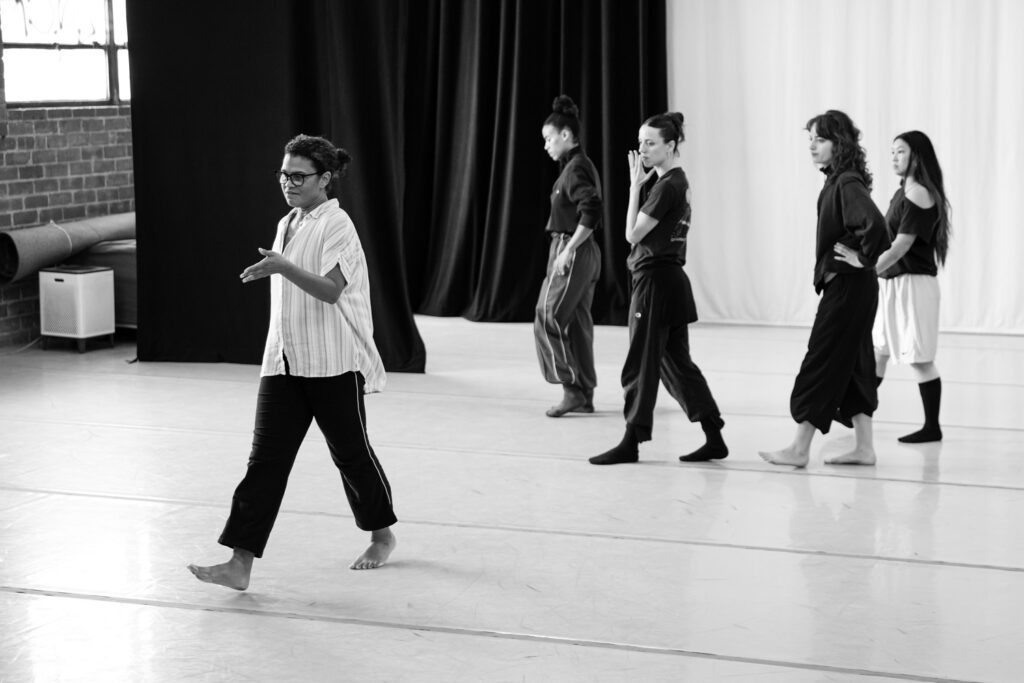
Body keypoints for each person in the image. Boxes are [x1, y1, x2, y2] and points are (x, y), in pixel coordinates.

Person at [188, 134, 397, 590]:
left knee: (352, 456)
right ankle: (240, 562)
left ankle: (381, 536)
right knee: (264, 463)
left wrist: (281, 267)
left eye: (298, 176)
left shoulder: (337, 224)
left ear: (324, 179)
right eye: (284, 174)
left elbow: (330, 290)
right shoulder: (288, 223)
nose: (288, 182)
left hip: (333, 364)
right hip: (283, 363)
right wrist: (279, 267)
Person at [589, 111, 727, 465]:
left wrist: (634, 188)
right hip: (670, 284)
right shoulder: (677, 182)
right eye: (640, 142)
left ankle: (631, 441)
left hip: (655, 285)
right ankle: (714, 435)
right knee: (677, 365)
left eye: (650, 143)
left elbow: (631, 235)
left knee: (641, 363)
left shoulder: (666, 186)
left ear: (671, 145)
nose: (643, 149)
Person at [761, 110, 890, 468]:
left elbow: (877, 227)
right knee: (855, 363)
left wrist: (863, 259)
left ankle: (799, 449)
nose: (812, 146)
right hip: (857, 290)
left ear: (839, 143)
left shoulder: (845, 182)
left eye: (819, 139)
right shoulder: (840, 179)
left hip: (849, 290)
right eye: (811, 140)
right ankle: (864, 448)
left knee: (822, 359)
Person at [836, 131, 950, 443]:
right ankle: (853, 413)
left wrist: (864, 265)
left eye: (900, 152)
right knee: (880, 350)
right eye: (893, 152)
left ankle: (932, 427)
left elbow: (900, 246)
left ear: (918, 156)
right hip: (894, 283)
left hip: (913, 285)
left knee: (920, 358)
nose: (894, 158)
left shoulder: (918, 194)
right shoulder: (905, 191)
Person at [534, 95, 603, 417]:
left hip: (571, 250)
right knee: (576, 324)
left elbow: (591, 212)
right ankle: (585, 393)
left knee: (546, 315)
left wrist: (567, 251)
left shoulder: (577, 169)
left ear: (565, 135)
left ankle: (571, 388)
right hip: (579, 251)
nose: (546, 145)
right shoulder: (576, 167)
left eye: (549, 138)